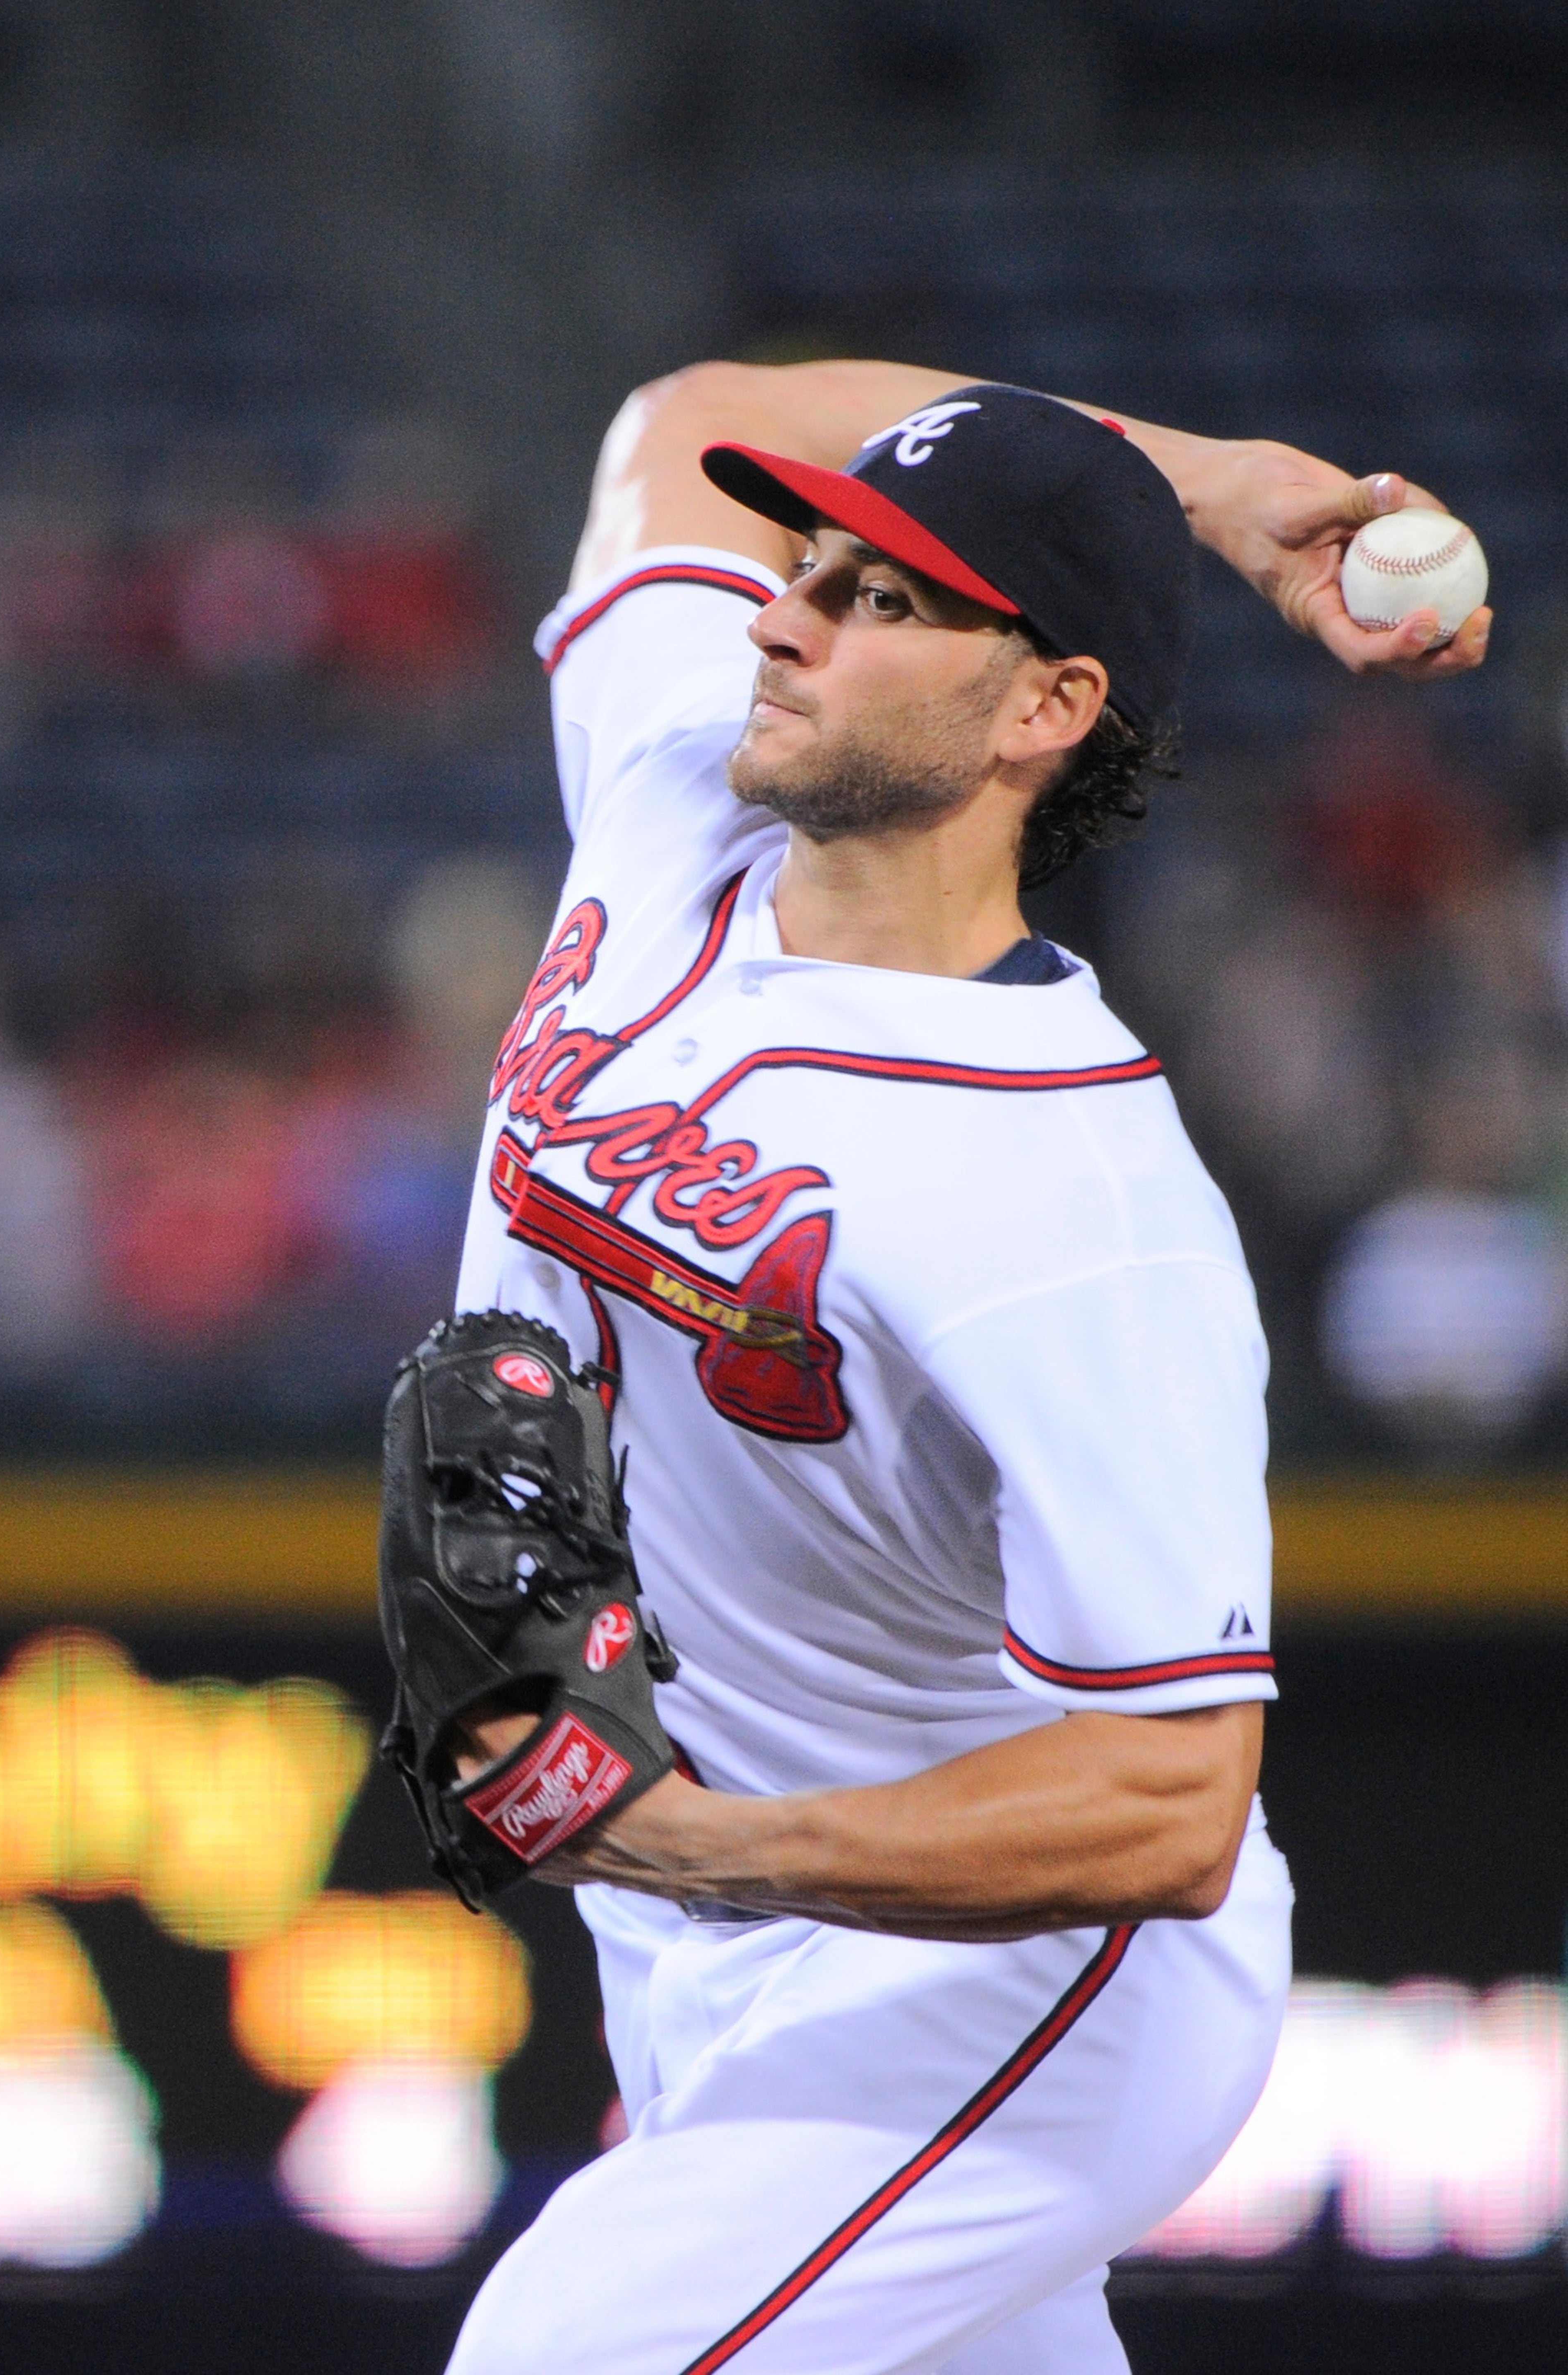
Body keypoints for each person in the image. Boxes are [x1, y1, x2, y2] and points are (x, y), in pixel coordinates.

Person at [444, 361, 1488, 2375]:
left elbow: (1174, 1800)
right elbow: (683, 416)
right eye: (810, 562)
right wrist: (1195, 478)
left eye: (885, 598)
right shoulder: (672, 788)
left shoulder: (1076, 1201)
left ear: (1046, 708)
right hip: (711, 1949)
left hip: (1018, 1985)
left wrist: (690, 1840)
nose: (784, 613)